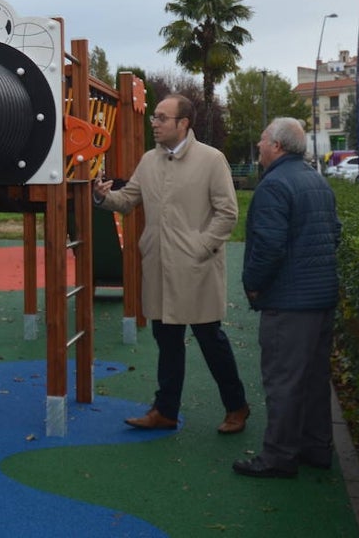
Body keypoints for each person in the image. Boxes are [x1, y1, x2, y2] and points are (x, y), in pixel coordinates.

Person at [93, 93, 249, 434]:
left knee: (211, 340)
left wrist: (200, 247)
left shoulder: (211, 160)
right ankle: (165, 410)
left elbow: (227, 213)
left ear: (183, 123)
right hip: (159, 267)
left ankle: (236, 406)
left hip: (197, 270)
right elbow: (128, 200)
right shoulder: (149, 160)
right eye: (155, 117)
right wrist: (103, 197)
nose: (155, 122)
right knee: (167, 341)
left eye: (162, 117)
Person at [233, 116, 341, 478]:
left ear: (276, 146)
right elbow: (334, 233)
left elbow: (268, 246)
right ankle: (316, 447)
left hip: (290, 302)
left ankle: (278, 456)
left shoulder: (274, 185)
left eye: (263, 141)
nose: (260, 146)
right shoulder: (316, 181)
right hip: (321, 299)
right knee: (312, 379)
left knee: (283, 381)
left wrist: (253, 284)